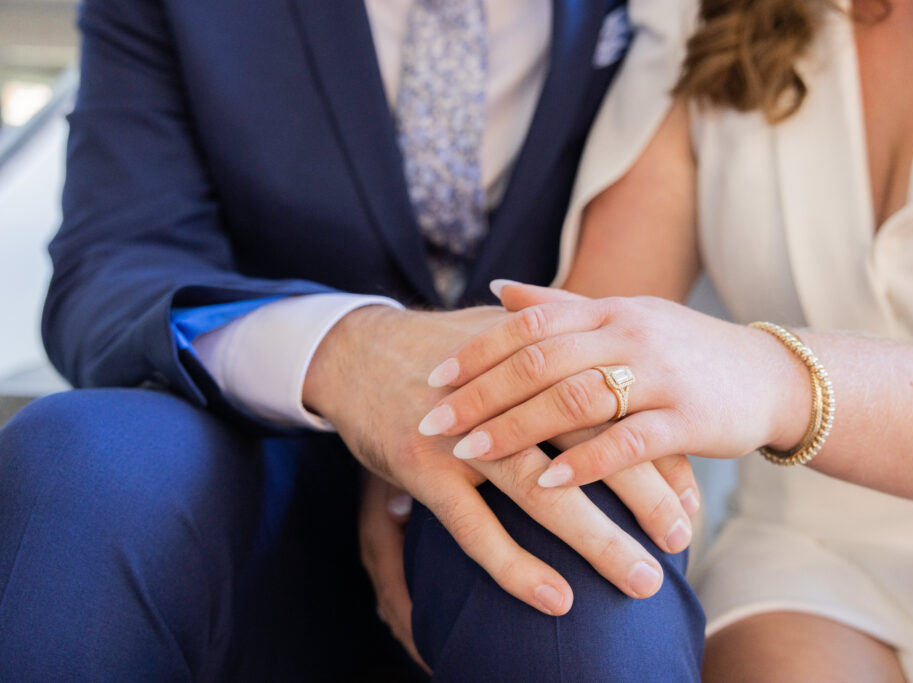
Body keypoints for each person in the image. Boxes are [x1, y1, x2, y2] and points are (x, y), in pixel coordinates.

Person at [0, 0, 708, 680]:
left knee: (585, 552)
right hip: (254, 460)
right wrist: (347, 352)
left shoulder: (672, 11)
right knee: (79, 467)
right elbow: (113, 260)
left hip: (522, 442)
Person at [416, 0, 913, 680]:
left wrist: (774, 378)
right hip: (807, 555)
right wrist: (441, 439)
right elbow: (603, 321)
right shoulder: (699, 13)